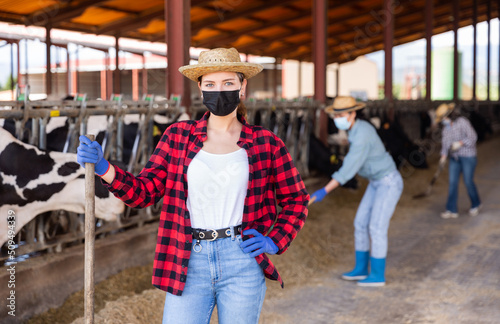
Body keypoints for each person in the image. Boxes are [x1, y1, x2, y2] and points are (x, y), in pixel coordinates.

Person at [76, 47, 309, 324]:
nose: (219, 91)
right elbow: (144, 192)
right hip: (187, 258)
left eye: (228, 83)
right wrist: (105, 168)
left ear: (242, 87)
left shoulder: (265, 143)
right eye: (210, 84)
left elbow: (297, 199)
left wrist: (274, 239)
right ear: (200, 88)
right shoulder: (178, 136)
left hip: (241, 259)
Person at [310, 96, 403, 287]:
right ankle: (361, 269)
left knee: (376, 227)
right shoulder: (355, 129)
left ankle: (377, 274)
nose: (338, 118)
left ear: (353, 114)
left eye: (342, 114)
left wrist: (323, 191)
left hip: (388, 182)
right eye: (336, 115)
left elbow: (349, 169)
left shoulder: (362, 135)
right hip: (375, 182)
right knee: (360, 223)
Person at [435, 103, 481, 218]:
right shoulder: (445, 129)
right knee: (452, 183)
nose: (443, 121)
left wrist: (460, 143)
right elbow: (445, 145)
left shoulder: (462, 122)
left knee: (468, 181)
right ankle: (451, 209)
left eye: (443, 118)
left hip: (468, 156)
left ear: (449, 115)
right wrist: (443, 157)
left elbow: (473, 137)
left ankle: (476, 204)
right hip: (455, 158)